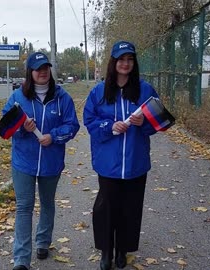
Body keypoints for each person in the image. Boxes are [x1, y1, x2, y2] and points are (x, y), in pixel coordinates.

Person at [83, 41, 160, 270]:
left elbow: (158, 123)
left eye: (130, 59)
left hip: (136, 162)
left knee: (130, 208)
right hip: (108, 164)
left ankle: (122, 250)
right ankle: (106, 251)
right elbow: (89, 121)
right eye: (121, 59)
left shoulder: (145, 90)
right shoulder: (99, 91)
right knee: (107, 208)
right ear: (113, 62)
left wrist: (143, 122)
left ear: (134, 63)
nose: (125, 64)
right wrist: (109, 126)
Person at [1, 52, 80, 270]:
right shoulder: (17, 97)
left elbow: (72, 126)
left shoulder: (62, 97)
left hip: (51, 162)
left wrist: (53, 136)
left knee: (47, 204)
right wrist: (22, 130)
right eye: (38, 68)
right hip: (23, 162)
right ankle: (21, 259)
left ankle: (43, 241)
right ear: (30, 72)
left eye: (46, 67)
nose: (43, 72)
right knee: (24, 207)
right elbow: (6, 128)